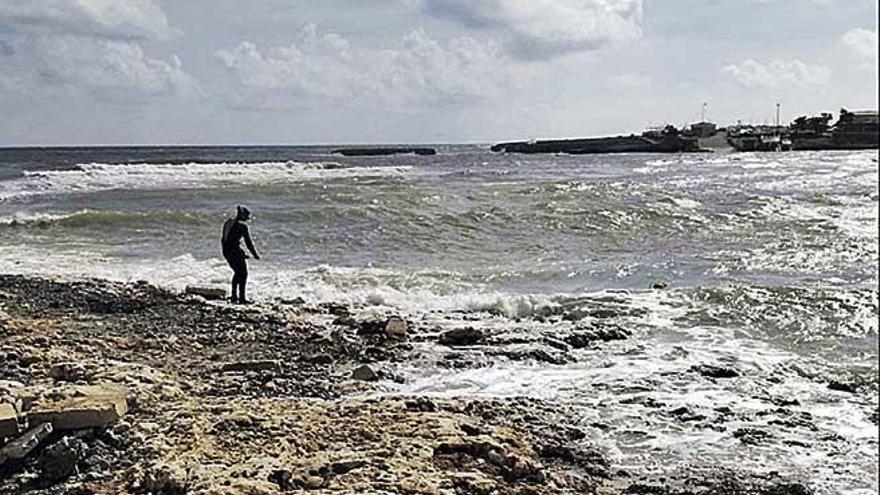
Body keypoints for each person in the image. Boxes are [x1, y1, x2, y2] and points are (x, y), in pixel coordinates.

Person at [221, 205, 260, 304]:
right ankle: (242, 298)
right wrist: (255, 254)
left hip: (227, 251)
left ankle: (234, 296)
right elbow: (248, 242)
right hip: (235, 251)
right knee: (243, 274)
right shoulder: (242, 227)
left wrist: (237, 253)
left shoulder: (228, 223)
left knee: (237, 273)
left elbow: (225, 240)